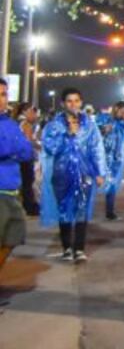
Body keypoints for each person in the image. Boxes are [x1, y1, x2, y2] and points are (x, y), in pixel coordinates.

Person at [40, 88, 107, 263]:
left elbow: (97, 149)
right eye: (69, 101)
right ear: (63, 104)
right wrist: (67, 135)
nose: (73, 104)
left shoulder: (90, 126)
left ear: (81, 102)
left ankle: (79, 249)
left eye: (76, 101)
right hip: (61, 173)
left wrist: (100, 172)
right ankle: (67, 248)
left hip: (85, 173)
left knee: (82, 210)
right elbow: (49, 148)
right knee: (64, 210)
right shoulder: (54, 125)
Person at [0, 79, 35, 286]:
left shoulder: (9, 123)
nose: (1, 99)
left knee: (13, 238)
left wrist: (10, 149)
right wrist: (12, 149)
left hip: (12, 190)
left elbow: (27, 151)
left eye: (4, 94)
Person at [98, 101, 124, 221]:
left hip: (118, 159)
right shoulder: (103, 118)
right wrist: (104, 130)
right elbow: (95, 132)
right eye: (121, 111)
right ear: (115, 109)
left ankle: (110, 211)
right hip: (102, 157)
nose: (123, 114)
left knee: (112, 185)